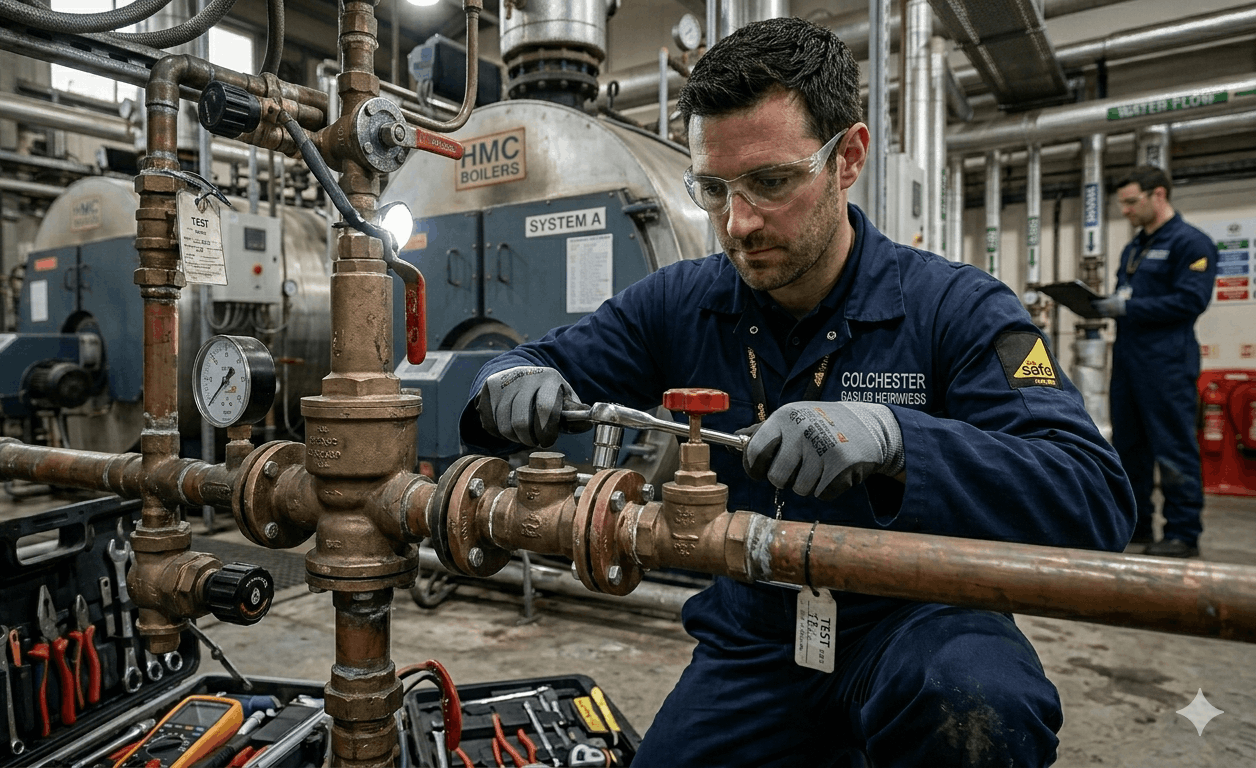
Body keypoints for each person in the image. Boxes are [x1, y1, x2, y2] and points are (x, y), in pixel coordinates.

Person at [460, 18, 1135, 767]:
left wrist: (898, 441)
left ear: (848, 158)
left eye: (772, 182)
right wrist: (510, 380)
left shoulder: (959, 309)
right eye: (713, 189)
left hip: (917, 623)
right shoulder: (682, 301)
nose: (737, 222)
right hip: (757, 636)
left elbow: (1092, 496)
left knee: (976, 698)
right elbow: (542, 359)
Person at [1091, 167, 1217, 558]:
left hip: (1167, 363)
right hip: (1128, 361)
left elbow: (1191, 301)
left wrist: (1129, 305)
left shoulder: (1191, 243)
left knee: (1173, 448)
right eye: (1122, 204)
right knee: (1129, 448)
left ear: (1157, 195)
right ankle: (1138, 525)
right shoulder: (1134, 248)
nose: (1126, 211)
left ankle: (1182, 533)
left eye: (1131, 202)